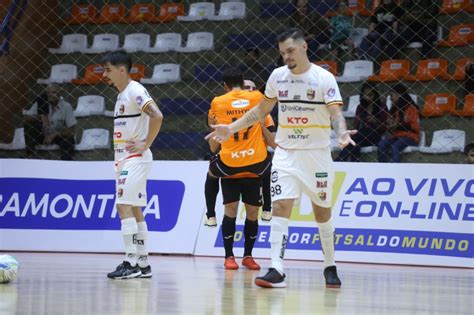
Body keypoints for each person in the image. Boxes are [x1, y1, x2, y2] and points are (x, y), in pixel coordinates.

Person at [206, 28, 357, 288]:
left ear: (304, 47)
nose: (286, 56)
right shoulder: (278, 76)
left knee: (322, 213)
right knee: (279, 209)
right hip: (286, 155)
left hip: (316, 155)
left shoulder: (323, 78)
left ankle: (330, 266)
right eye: (282, 53)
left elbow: (335, 112)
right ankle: (277, 268)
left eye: (290, 51)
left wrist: (342, 132)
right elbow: (261, 110)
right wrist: (231, 128)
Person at [102, 50, 163, 279]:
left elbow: (157, 115)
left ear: (121, 70)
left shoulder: (134, 90)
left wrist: (145, 143)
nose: (104, 75)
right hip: (126, 159)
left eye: (108, 70)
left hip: (134, 159)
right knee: (135, 209)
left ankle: (130, 262)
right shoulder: (121, 95)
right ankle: (143, 263)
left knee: (122, 206)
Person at [207, 68, 275, 270]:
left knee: (247, 211)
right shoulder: (257, 98)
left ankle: (247, 255)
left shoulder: (218, 102)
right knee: (236, 210)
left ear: (225, 85)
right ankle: (229, 256)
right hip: (254, 162)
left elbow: (213, 132)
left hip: (231, 164)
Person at [204, 80, 275, 227]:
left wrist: (261, 124)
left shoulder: (265, 114)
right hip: (237, 164)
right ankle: (211, 215)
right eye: (247, 88)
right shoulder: (223, 111)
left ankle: (267, 207)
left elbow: (274, 144)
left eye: (253, 88)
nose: (250, 90)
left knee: (268, 163)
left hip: (250, 164)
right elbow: (213, 147)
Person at [336, 82, 388, 162]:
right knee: (354, 140)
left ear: (375, 95)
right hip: (362, 133)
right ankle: (354, 162)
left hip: (376, 135)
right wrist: (359, 120)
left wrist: (375, 121)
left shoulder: (382, 106)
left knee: (353, 139)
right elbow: (356, 126)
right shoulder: (360, 107)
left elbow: (384, 127)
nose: (368, 97)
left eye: (370, 95)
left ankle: (340, 160)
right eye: (365, 95)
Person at [23, 84, 77, 160]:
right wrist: (41, 117)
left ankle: (66, 162)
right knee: (29, 126)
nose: (50, 95)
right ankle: (29, 156)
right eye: (48, 93)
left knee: (69, 139)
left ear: (59, 94)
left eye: (53, 92)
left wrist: (54, 134)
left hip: (57, 136)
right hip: (42, 134)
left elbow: (72, 130)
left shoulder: (66, 106)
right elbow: (26, 118)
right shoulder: (40, 102)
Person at [377, 83, 420, 163]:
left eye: (391, 95)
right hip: (397, 136)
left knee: (395, 147)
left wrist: (399, 125)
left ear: (399, 95)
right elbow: (389, 125)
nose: (390, 99)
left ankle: (395, 169)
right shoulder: (394, 110)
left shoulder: (411, 108)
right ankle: (382, 167)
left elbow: (414, 127)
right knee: (381, 145)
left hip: (410, 136)